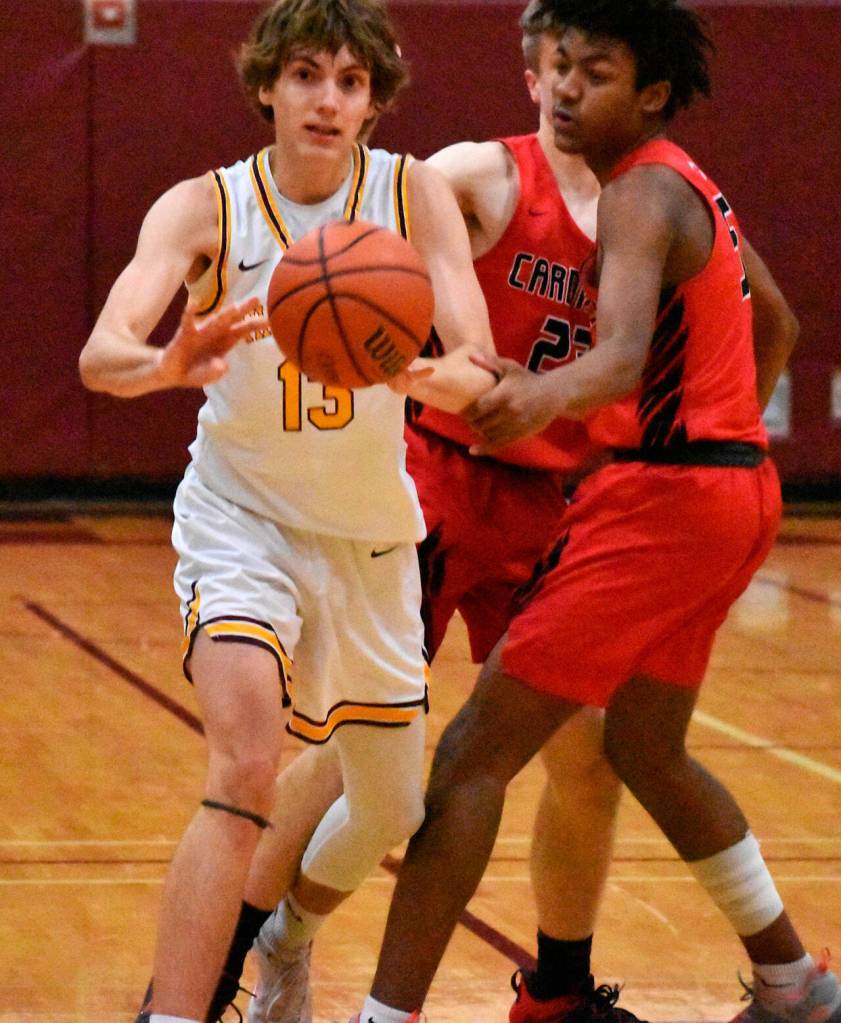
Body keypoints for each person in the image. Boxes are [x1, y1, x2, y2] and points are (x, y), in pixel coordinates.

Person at [228, 3, 800, 1023]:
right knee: (363, 747)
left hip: (569, 497)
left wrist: (682, 444)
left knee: (583, 755)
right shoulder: (478, 177)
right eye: (557, 64)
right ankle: (244, 954)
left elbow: (762, 326)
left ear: (644, 90)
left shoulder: (650, 193)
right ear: (533, 70)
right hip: (439, 482)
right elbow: (352, 241)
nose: (567, 85)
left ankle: (559, 988)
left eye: (592, 67)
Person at [78, 2, 497, 1021]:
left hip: (367, 537)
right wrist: (166, 363)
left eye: (350, 82)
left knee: (391, 804)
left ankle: (287, 933)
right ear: (266, 85)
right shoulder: (207, 207)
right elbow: (101, 356)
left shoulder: (412, 194)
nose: (326, 100)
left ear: (374, 100)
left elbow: (479, 364)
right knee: (247, 767)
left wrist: (429, 375)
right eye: (306, 75)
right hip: (241, 520)